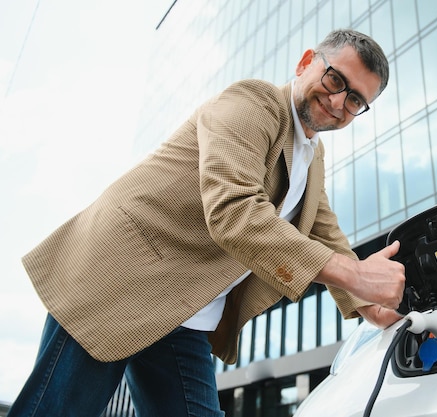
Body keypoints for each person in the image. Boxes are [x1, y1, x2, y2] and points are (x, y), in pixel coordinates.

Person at [8, 29, 405, 417]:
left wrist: (369, 305)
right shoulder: (255, 103)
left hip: (186, 311)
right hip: (120, 278)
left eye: (355, 99)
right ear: (305, 63)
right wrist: (354, 274)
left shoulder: (311, 156)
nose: (338, 101)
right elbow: (235, 211)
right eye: (335, 79)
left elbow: (324, 231)